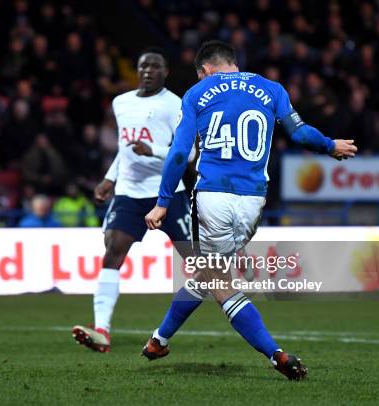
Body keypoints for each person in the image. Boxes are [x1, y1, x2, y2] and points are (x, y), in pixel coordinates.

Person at [142, 41, 357, 380]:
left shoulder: (197, 94)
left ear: (206, 70)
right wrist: (330, 146)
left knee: (219, 280)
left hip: (212, 196)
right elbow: (300, 133)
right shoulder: (272, 88)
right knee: (208, 272)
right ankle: (158, 340)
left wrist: (163, 202)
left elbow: (180, 153)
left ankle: (275, 354)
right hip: (254, 200)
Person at [72, 50, 195, 353]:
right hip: (128, 193)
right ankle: (102, 331)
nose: (148, 71)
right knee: (112, 252)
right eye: (143, 66)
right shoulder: (121, 103)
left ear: (166, 71)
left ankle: (233, 309)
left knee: (198, 263)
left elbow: (189, 154)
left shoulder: (175, 104)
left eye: (155, 66)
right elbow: (124, 150)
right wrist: (110, 178)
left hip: (167, 193)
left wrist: (152, 149)